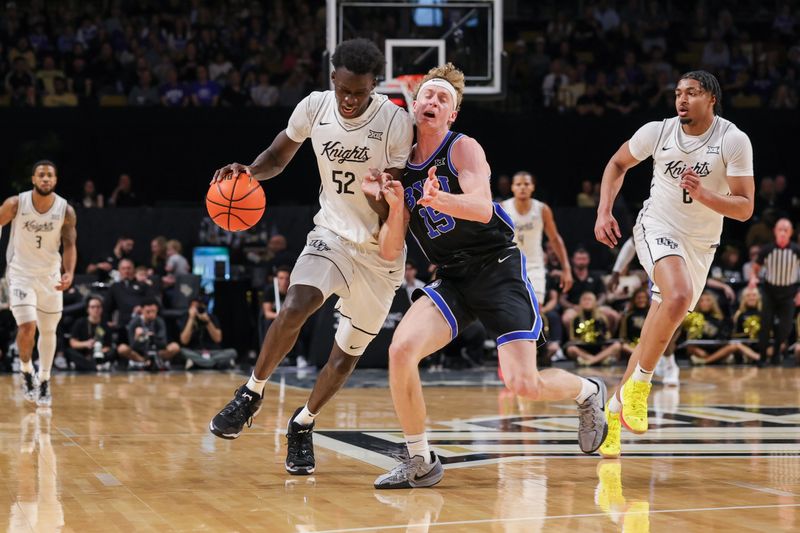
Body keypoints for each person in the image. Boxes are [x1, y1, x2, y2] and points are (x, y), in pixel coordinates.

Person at [370, 63, 607, 489]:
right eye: (428, 95)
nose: (434, 102)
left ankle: (587, 391)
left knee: (523, 384)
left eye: (444, 98)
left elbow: (482, 208)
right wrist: (393, 206)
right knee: (401, 349)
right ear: (414, 104)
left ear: (452, 114)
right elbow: (390, 250)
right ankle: (420, 458)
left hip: (496, 267)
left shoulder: (462, 147)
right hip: (452, 276)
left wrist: (440, 199)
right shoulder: (399, 166)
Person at [207, 38, 414, 477]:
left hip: (378, 254)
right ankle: (251, 392)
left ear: (375, 85)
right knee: (296, 304)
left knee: (344, 357)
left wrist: (378, 195)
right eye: (343, 90)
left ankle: (303, 423)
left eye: (359, 92)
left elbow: (391, 209)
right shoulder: (315, 106)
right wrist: (249, 171)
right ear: (332, 78)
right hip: (331, 235)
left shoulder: (396, 122)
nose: (350, 100)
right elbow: (278, 155)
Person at [594, 70, 754, 459]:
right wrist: (603, 211)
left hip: (701, 244)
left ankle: (614, 408)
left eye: (692, 93)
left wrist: (704, 194)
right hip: (657, 226)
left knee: (657, 331)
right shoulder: (658, 131)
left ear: (711, 98)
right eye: (678, 93)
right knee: (678, 295)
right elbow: (617, 164)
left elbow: (744, 208)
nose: (682, 99)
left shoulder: (733, 140)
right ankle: (640, 388)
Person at [0, 160, 77, 406]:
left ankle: (44, 379)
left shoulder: (65, 210)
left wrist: (69, 272)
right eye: (41, 175)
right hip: (20, 274)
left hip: (50, 276)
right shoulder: (16, 203)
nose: (45, 179)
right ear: (33, 179)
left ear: (55, 180)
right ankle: (25, 370)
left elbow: (70, 244)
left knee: (48, 330)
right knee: (27, 327)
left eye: (49, 175)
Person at [500, 171, 573, 298]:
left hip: (535, 265)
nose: (522, 187)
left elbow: (555, 239)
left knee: (536, 306)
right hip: (509, 265)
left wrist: (566, 269)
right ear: (512, 187)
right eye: (518, 184)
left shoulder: (542, 209)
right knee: (511, 308)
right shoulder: (503, 208)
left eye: (526, 184)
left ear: (533, 187)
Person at [749, 218, 800, 366]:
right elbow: (755, 268)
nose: (783, 232)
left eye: (786, 230)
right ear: (775, 231)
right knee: (765, 325)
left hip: (789, 292)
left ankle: (776, 351)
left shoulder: (796, 250)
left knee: (786, 327)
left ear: (791, 232)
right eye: (780, 229)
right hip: (769, 291)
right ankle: (762, 356)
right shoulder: (767, 249)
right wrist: (753, 278)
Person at [179, 297, 236, 369]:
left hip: (213, 352)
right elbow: (184, 341)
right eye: (194, 307)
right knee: (182, 351)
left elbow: (218, 339)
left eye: (198, 306)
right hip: (195, 352)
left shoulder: (212, 318)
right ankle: (216, 363)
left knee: (232, 352)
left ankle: (198, 363)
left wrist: (208, 322)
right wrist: (191, 319)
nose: (196, 309)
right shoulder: (186, 318)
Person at [125, 298, 180, 370]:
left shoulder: (159, 321)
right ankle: (143, 362)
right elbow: (132, 346)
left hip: (156, 352)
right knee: (122, 348)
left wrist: (152, 337)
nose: (151, 314)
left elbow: (163, 343)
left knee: (175, 346)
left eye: (153, 311)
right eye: (148, 312)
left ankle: (155, 361)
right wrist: (137, 337)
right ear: (142, 310)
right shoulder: (134, 322)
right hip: (140, 353)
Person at [66, 296, 114, 371]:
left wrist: (100, 350)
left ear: (102, 309)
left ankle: (87, 365)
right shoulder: (80, 322)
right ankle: (95, 367)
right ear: (88, 309)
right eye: (92, 307)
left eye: (98, 307)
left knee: (113, 352)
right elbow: (73, 343)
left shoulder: (105, 325)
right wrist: (86, 344)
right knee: (69, 351)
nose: (96, 309)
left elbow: (108, 346)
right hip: (83, 353)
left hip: (99, 354)